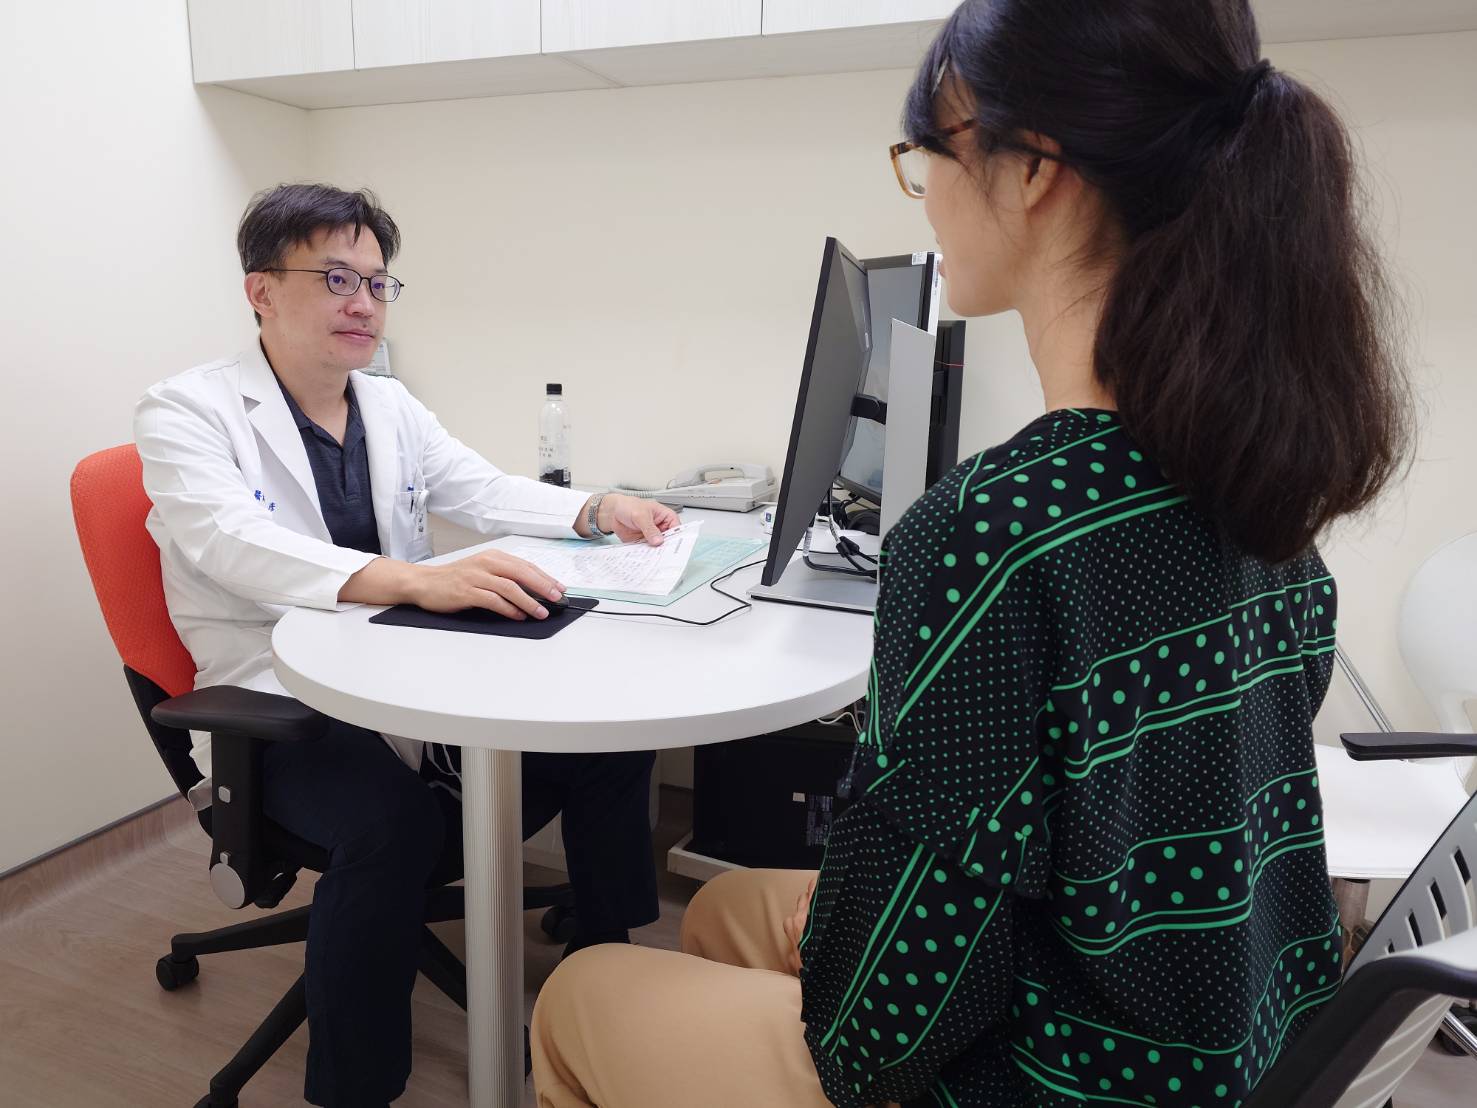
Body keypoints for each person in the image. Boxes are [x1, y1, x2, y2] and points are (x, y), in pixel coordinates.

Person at [529, 1, 1412, 1105]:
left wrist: (856, 922)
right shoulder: (1254, 475)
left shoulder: (994, 531)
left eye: (929, 153)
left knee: (583, 993)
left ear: (1032, 167)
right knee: (718, 909)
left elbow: (873, 1036)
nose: (926, 193)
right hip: (1233, 1042)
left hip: (1065, 1078)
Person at [135, 182, 678, 1107]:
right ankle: (355, 1086)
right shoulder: (186, 410)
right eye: (335, 278)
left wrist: (596, 508)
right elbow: (229, 541)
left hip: (400, 666)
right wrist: (413, 580)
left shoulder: (386, 404)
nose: (363, 302)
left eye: (377, 283)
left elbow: (480, 488)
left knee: (606, 735)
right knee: (393, 827)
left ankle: (604, 958)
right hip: (275, 700)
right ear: (260, 291)